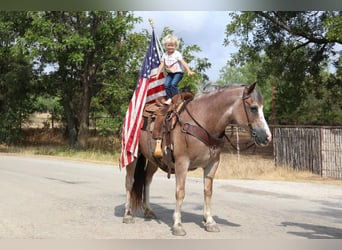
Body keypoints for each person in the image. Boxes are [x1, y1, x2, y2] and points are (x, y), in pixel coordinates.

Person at [155, 34, 195, 105]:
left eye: (172, 45)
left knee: (173, 84)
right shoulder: (165, 55)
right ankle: (170, 98)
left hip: (178, 73)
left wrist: (189, 70)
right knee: (166, 85)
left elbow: (183, 62)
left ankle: (177, 98)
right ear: (165, 46)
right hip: (170, 73)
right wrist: (157, 74)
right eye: (168, 45)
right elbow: (161, 64)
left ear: (175, 46)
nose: (170, 47)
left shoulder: (177, 54)